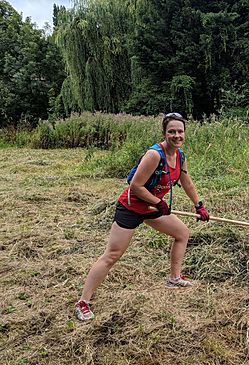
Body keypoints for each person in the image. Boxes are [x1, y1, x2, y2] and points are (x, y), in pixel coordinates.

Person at [75, 112, 209, 321]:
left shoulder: (180, 155)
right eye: (171, 131)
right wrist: (158, 202)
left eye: (180, 131)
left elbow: (186, 180)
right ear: (164, 133)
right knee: (112, 255)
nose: (176, 135)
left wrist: (198, 205)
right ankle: (83, 301)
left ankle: (174, 278)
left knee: (182, 233)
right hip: (132, 208)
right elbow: (135, 186)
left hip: (154, 209)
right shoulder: (155, 155)